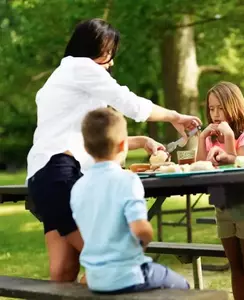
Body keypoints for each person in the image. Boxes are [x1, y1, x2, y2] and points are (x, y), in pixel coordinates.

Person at [26, 18, 201, 283]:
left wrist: (141, 141)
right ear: (91, 48)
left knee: (63, 270)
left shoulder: (64, 77)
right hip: (61, 175)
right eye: (107, 53)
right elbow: (130, 103)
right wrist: (173, 116)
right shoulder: (82, 67)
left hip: (43, 177)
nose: (111, 62)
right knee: (111, 263)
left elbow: (93, 139)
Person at [70, 108, 189, 293]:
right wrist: (145, 240)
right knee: (183, 287)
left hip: (95, 278)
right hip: (129, 275)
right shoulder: (128, 180)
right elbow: (141, 229)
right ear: (123, 145)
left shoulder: (77, 187)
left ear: (86, 148)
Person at [196, 82, 244, 300]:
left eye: (220, 108)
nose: (215, 114)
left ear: (233, 106)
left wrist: (229, 138)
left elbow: (238, 167)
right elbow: (198, 168)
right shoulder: (213, 137)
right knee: (236, 269)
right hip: (222, 206)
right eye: (211, 109)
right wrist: (202, 138)